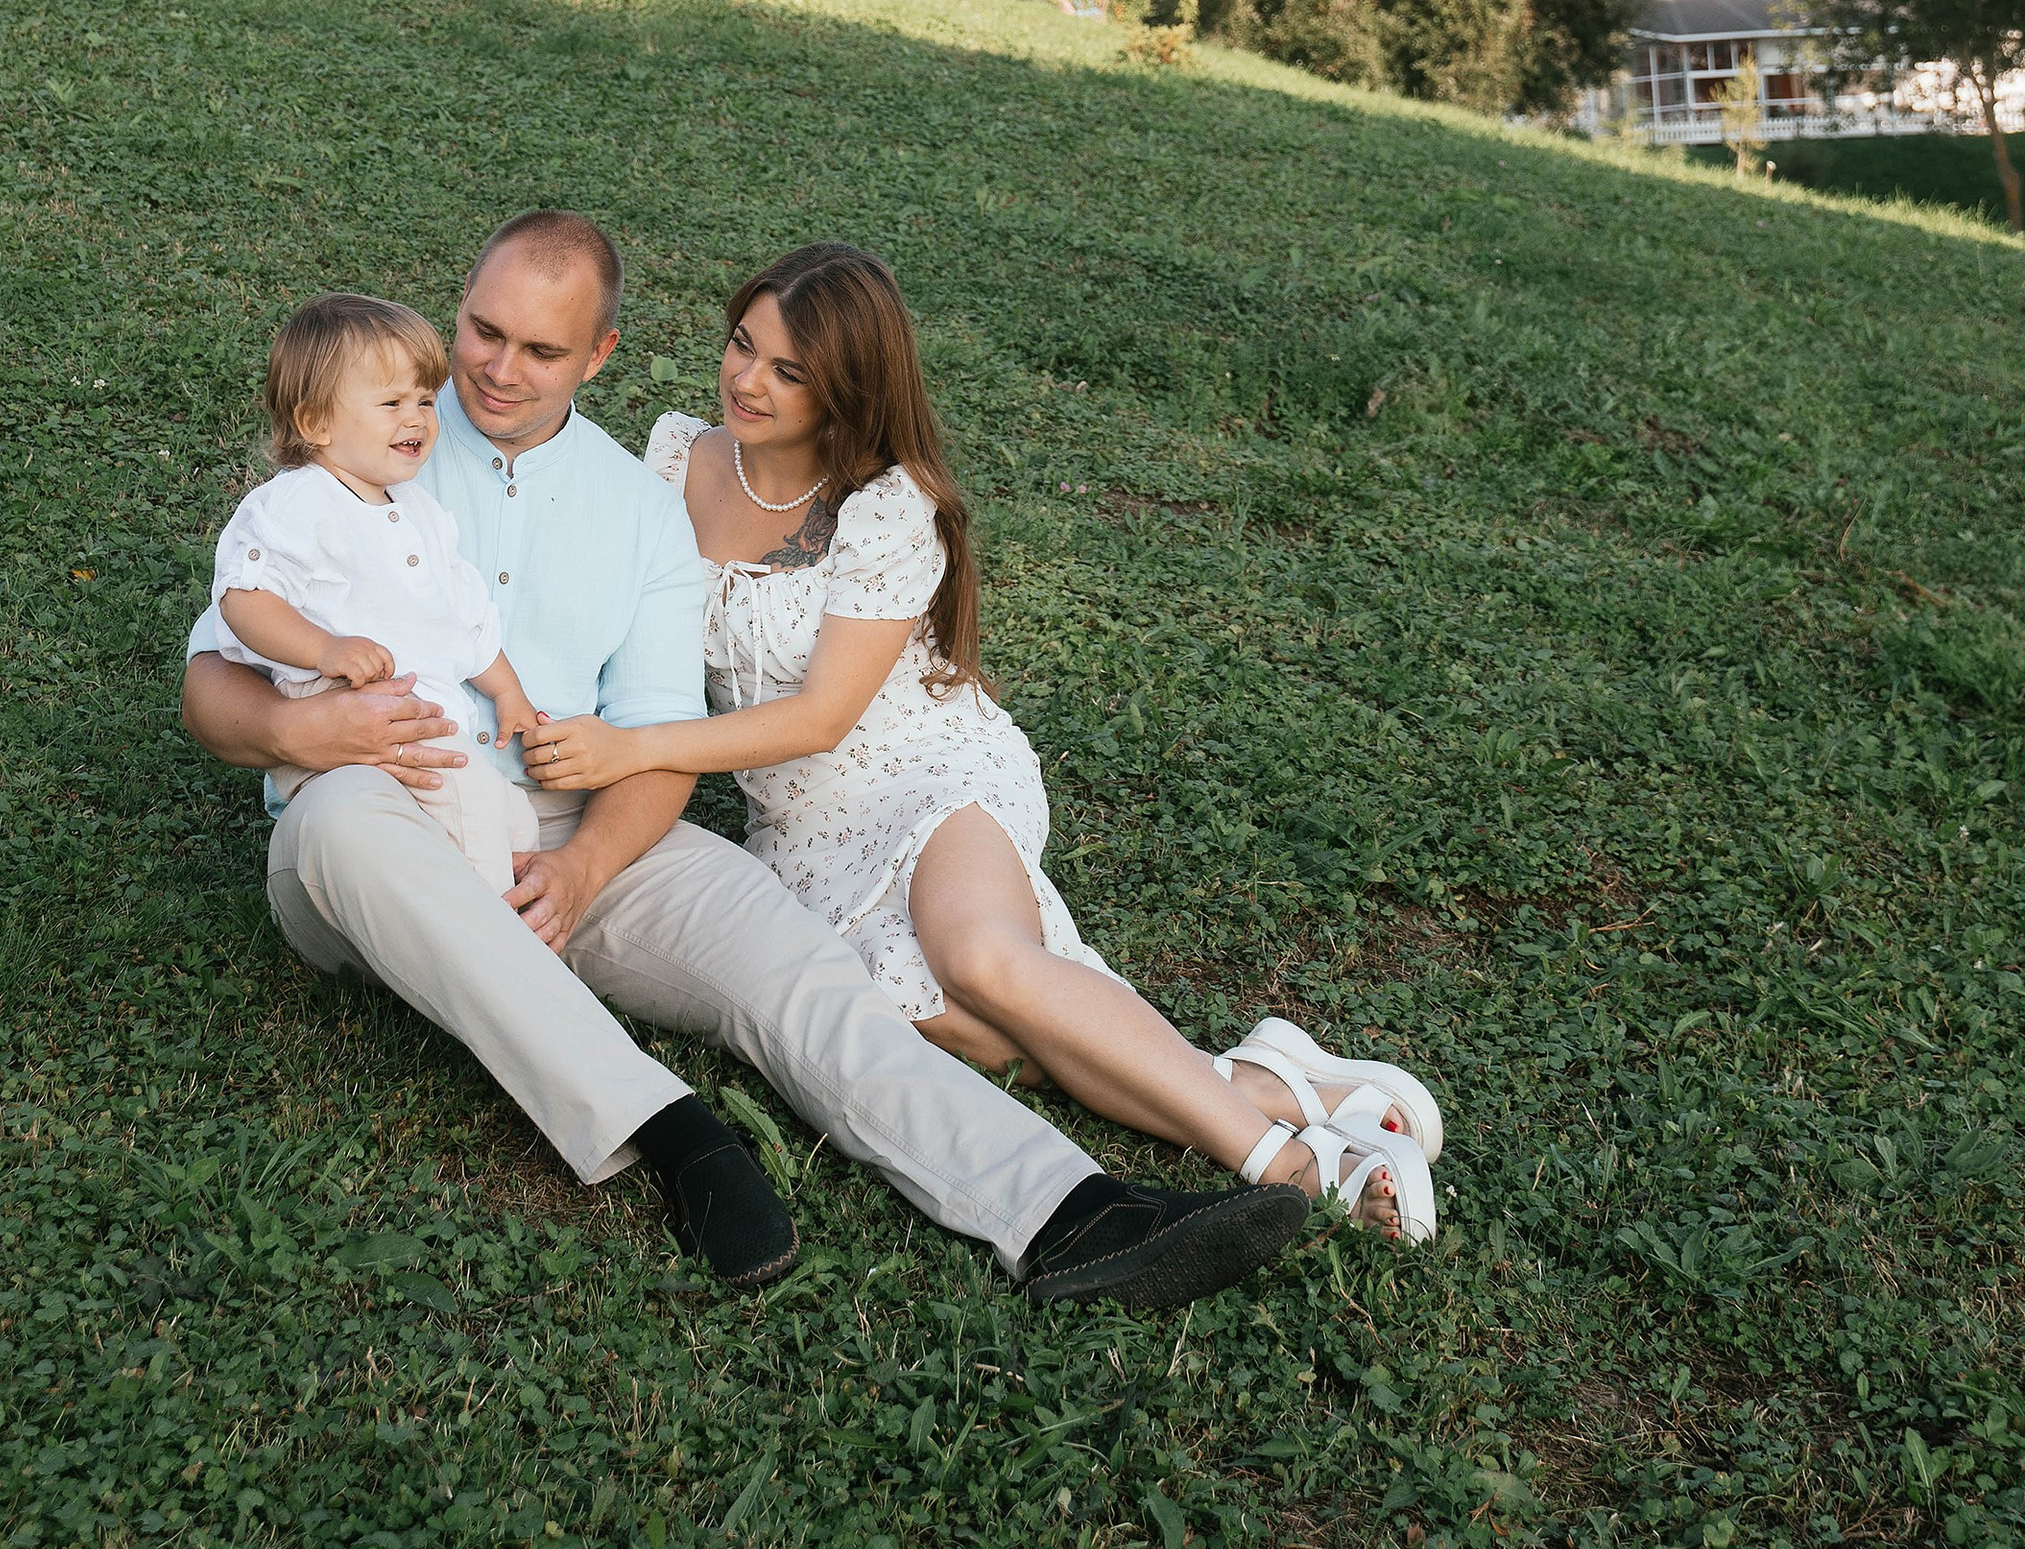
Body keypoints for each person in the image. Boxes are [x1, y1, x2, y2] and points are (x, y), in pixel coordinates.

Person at [180, 211, 1315, 1309]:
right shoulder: (363, 452)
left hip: (573, 833)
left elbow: (659, 738)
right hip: (377, 824)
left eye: (540, 349)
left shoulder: (642, 508)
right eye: (482, 332)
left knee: (792, 961)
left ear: (600, 354)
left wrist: (579, 875)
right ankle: (678, 1135)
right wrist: (299, 733)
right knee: (334, 825)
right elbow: (212, 683)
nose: (496, 371)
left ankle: (1070, 1213)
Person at [524, 243, 1442, 1241]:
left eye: (789, 372)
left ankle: (1290, 1163)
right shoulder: (673, 457)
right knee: (969, 1034)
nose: (747, 381)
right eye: (743, 346)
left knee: (981, 963)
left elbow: (823, 719)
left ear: (847, 388)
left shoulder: (886, 505)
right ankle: (1261, 1080)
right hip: (794, 831)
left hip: (922, 774)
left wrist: (632, 751)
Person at [201, 289, 540, 897]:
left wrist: (508, 693)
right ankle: (491, 929)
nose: (417, 419)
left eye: (425, 401)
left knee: (518, 826)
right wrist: (323, 649)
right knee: (479, 830)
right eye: (391, 403)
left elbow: (466, 616)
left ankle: (445, 901)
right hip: (343, 701)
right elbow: (245, 598)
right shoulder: (299, 501)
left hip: (426, 718)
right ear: (316, 423)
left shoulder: (421, 511)